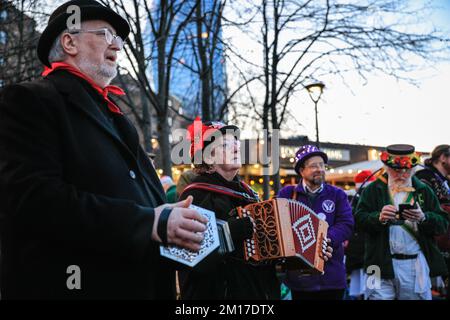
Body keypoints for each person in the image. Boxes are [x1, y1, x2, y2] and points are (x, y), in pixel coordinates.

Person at [0, 0, 207, 299]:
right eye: (106, 34)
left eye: (119, 38)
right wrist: (147, 222)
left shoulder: (115, 115)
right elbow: (33, 199)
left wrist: (167, 217)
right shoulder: (29, 100)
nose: (118, 46)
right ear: (69, 41)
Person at [178, 118, 281, 300]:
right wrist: (228, 233)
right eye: (225, 145)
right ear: (208, 157)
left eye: (236, 143)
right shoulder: (196, 194)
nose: (236, 148)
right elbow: (186, 254)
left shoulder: (248, 194)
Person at [355, 144, 448, 300]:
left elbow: (443, 223)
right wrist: (379, 218)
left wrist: (423, 218)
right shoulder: (372, 189)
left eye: (407, 170)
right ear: (386, 167)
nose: (402, 174)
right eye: (396, 170)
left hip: (414, 264)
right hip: (375, 263)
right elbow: (358, 220)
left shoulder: (424, 190)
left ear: (412, 169)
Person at [277, 145, 354, 300]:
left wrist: (325, 239)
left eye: (321, 165)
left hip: (332, 277)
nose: (319, 169)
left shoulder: (337, 194)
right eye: (313, 166)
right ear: (301, 171)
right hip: (300, 279)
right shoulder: (287, 193)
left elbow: (346, 224)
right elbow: (278, 223)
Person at [415, 144, 450, 298]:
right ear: (443, 157)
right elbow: (426, 209)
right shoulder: (424, 177)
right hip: (433, 243)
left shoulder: (445, 181)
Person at [345, 170, 376, 300]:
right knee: (372, 289)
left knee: (360, 288)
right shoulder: (369, 199)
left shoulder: (353, 201)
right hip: (368, 252)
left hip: (357, 252)